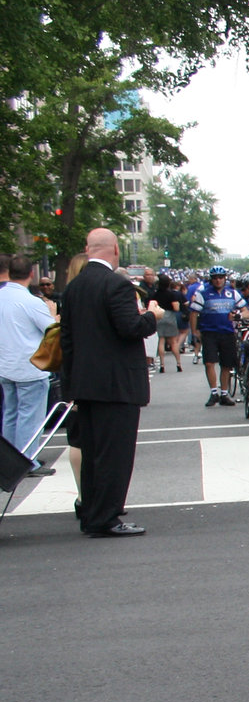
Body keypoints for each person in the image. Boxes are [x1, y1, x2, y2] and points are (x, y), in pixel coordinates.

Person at [61, 229, 159, 536]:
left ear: (88, 250)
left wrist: (70, 388)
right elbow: (130, 327)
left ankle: (92, 512)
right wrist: (152, 316)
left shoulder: (74, 287)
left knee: (93, 455)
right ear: (115, 249)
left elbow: (67, 342)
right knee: (115, 455)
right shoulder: (116, 284)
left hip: (85, 384)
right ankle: (107, 517)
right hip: (116, 385)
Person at [0, 252, 56, 470]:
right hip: (30, 365)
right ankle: (27, 460)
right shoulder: (31, 302)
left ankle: (10, 460)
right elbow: (51, 331)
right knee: (30, 417)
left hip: (5, 364)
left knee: (10, 415)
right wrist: (53, 315)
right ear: (31, 274)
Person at [190, 265, 247, 406]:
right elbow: (193, 313)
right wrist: (194, 332)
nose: (218, 280)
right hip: (209, 332)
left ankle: (224, 393)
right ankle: (214, 392)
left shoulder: (232, 293)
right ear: (211, 279)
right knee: (209, 362)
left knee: (227, 364)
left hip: (227, 332)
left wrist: (239, 315)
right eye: (215, 278)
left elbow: (245, 309)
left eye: (221, 277)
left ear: (225, 279)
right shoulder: (203, 293)